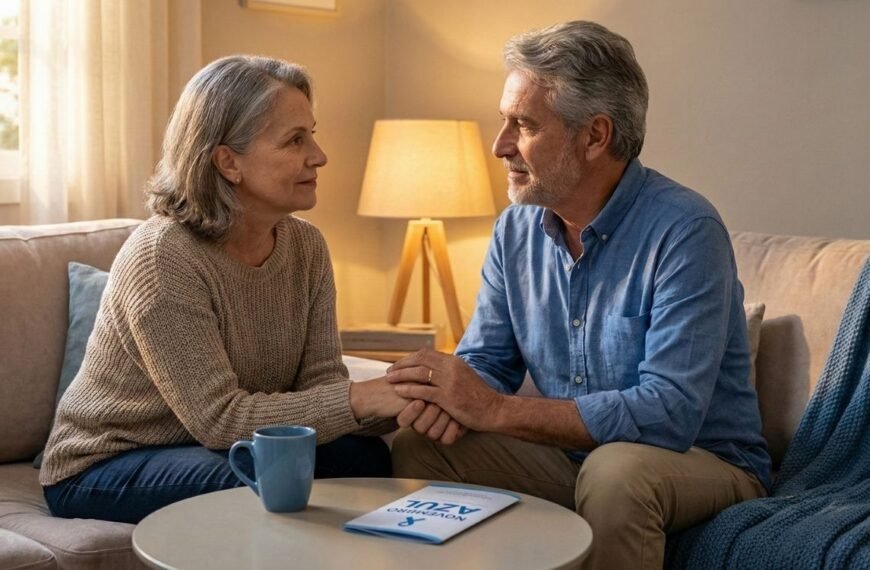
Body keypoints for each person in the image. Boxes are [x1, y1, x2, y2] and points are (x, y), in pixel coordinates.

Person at [388, 21, 771, 570]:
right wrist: (442, 394)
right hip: (573, 459)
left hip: (702, 461)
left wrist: (494, 409)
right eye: (504, 122)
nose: (499, 146)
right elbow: (486, 364)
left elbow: (669, 412)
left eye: (522, 125)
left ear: (595, 136)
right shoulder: (514, 231)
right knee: (420, 444)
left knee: (615, 475)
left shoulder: (685, 229)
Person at [39, 55, 422, 524]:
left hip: (216, 446)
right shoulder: (163, 256)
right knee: (264, 483)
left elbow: (322, 387)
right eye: (295, 140)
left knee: (364, 462)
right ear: (228, 162)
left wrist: (410, 397)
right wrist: (363, 399)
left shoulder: (306, 246)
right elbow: (220, 420)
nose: (319, 156)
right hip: (105, 464)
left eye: (312, 134)